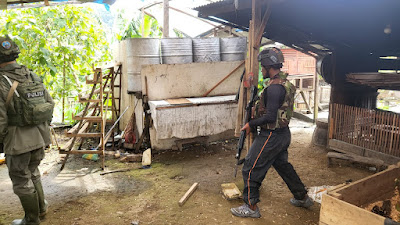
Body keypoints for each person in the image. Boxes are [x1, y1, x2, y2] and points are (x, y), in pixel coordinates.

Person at [231, 47, 313, 218]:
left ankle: (251, 207)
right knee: (283, 166)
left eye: (262, 66)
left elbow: (269, 117)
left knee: (250, 167)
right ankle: (302, 197)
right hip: (283, 135)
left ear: (269, 65)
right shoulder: (285, 84)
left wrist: (250, 124)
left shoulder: (275, 88)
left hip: (271, 135)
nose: (261, 70)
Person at [0, 35, 54, 225]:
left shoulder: (2, 81)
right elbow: (49, 103)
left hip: (18, 142)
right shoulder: (31, 75)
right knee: (33, 172)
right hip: (40, 137)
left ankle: (31, 220)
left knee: (21, 180)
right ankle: (41, 209)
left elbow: (0, 120)